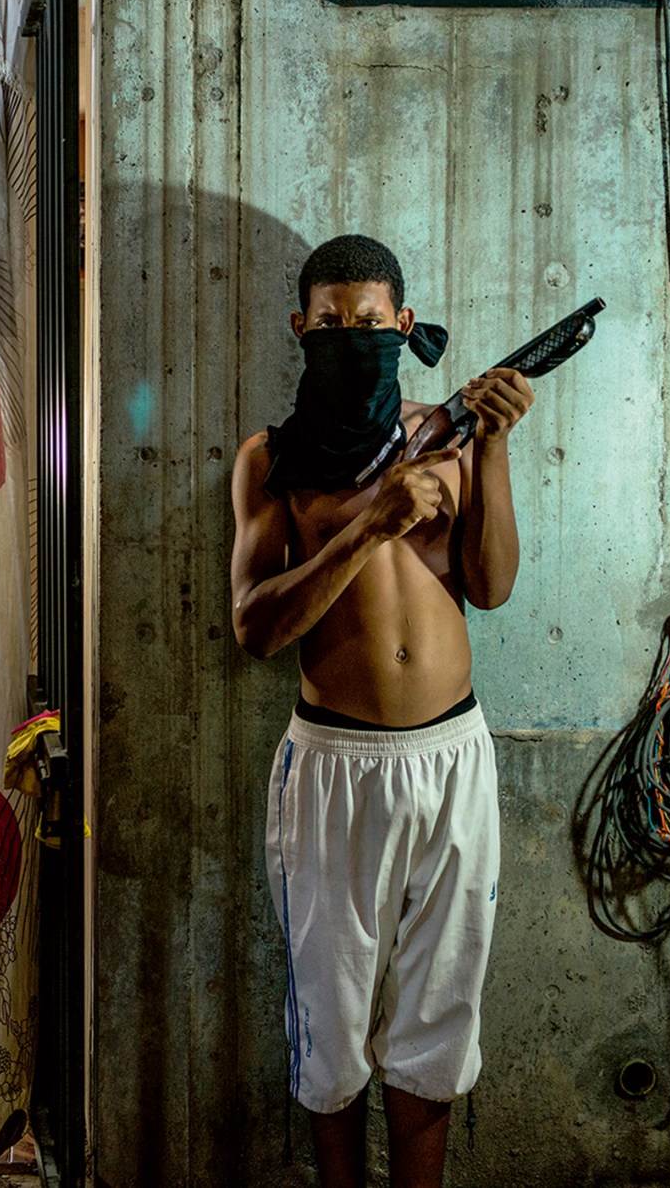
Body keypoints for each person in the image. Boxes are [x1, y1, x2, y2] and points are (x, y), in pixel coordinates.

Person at [229, 234, 534, 1188]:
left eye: (369, 322)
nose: (351, 336)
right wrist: (369, 523)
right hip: (333, 768)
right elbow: (255, 629)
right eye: (330, 323)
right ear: (301, 329)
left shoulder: (446, 433)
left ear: (406, 326)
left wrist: (495, 444)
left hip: (453, 759)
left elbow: (490, 585)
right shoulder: (271, 461)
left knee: (440, 1019)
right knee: (330, 1025)